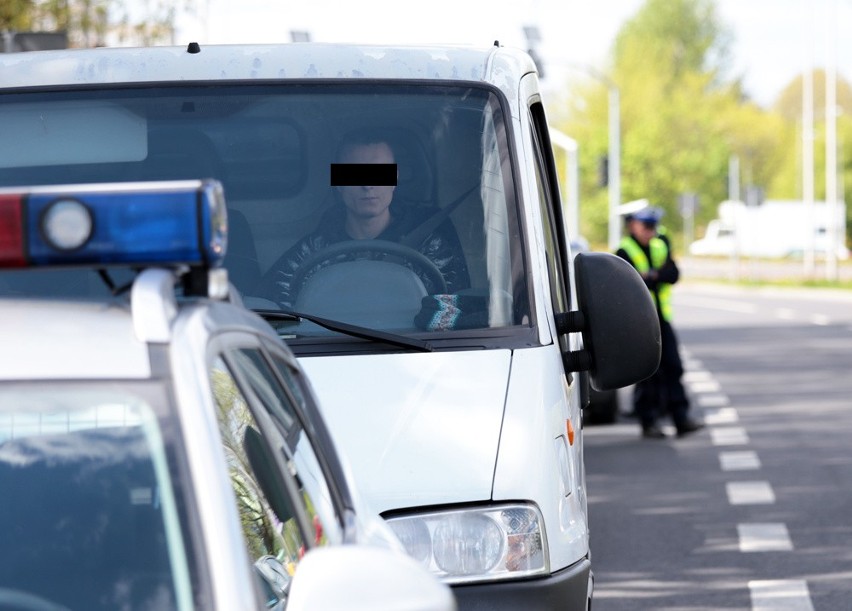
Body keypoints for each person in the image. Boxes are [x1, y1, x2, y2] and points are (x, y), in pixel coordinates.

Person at [261, 128, 472, 319]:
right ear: (338, 183)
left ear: (394, 179)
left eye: (379, 172)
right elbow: (277, 317)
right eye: (354, 173)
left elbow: (455, 315)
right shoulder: (309, 253)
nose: (367, 184)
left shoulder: (431, 249)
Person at [615, 205, 704, 439]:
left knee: (674, 367)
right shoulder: (624, 252)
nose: (650, 231)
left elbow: (672, 274)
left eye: (653, 226)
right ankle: (649, 422)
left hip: (662, 319)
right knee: (648, 374)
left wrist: (652, 276)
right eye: (646, 226)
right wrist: (656, 275)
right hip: (641, 323)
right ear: (633, 225)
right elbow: (629, 284)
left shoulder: (659, 245)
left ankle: (681, 419)